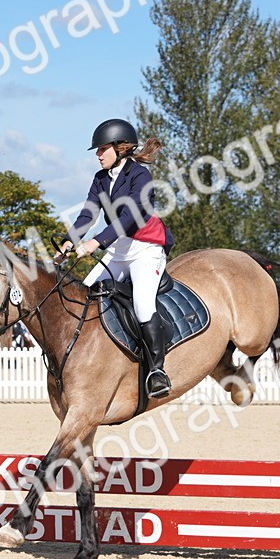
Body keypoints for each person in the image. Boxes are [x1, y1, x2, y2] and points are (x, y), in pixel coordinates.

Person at [61, 118, 175, 398]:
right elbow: (88, 214)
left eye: (102, 149)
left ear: (120, 148)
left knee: (143, 305)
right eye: (98, 151)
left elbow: (129, 216)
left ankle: (157, 371)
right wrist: (69, 240)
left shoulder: (140, 176)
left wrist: (96, 242)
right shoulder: (100, 179)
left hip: (146, 248)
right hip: (119, 249)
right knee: (85, 295)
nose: (98, 155)